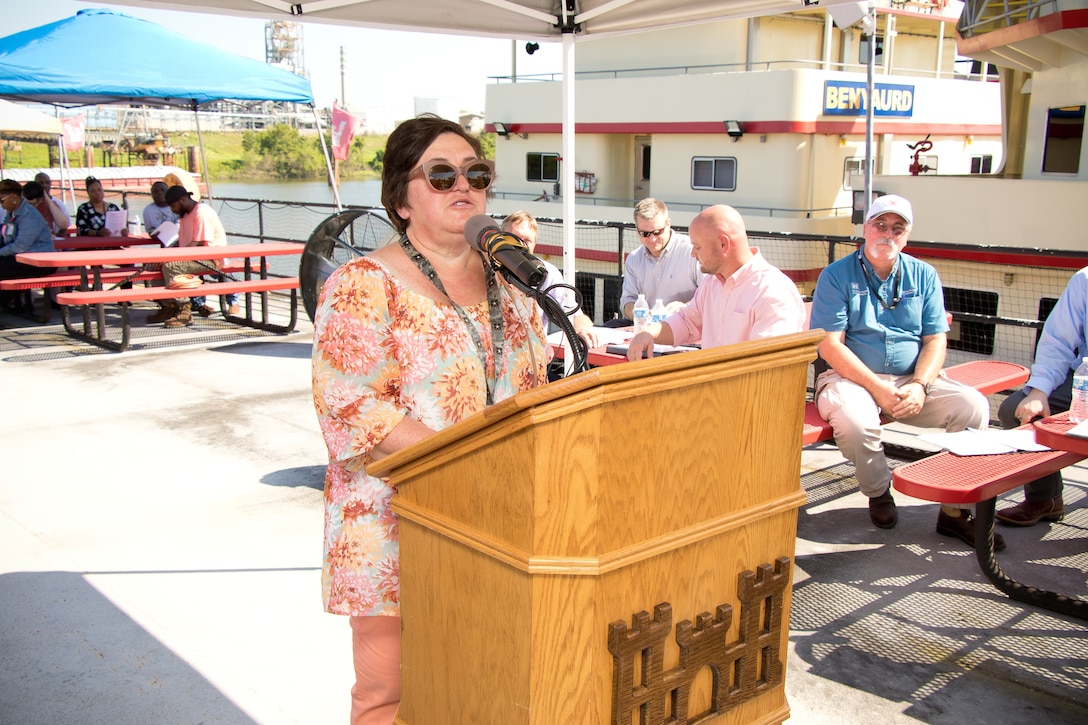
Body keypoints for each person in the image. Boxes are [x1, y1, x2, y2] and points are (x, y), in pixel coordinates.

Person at [311, 114, 548, 725]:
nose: (463, 185)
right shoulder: (362, 285)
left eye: (476, 174)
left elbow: (538, 383)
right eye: (440, 175)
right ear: (400, 199)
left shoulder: (513, 277)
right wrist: (469, 467)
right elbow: (356, 408)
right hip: (398, 530)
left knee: (488, 682)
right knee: (394, 698)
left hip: (502, 519)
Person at [809, 194, 1003, 550]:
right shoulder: (836, 275)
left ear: (907, 236)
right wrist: (877, 389)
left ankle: (955, 512)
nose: (888, 234)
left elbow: (935, 340)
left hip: (910, 378)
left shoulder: (924, 274)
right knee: (856, 425)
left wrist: (920, 385)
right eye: (880, 225)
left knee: (974, 407)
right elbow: (830, 345)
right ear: (865, 229)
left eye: (897, 228)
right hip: (851, 377)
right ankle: (879, 492)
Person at [625, 204, 805, 360]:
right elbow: (687, 321)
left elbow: (765, 366)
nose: (693, 254)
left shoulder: (772, 291)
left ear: (723, 244)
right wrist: (649, 332)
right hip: (715, 391)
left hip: (746, 395)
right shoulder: (712, 282)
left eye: (698, 247)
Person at [994, 268, 1088, 526]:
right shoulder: (1085, 279)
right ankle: (1045, 499)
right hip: (1084, 381)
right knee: (1015, 410)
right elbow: (1058, 341)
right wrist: (1039, 391)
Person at [501, 211, 599, 348]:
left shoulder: (547, 273)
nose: (520, 245)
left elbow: (574, 313)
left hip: (533, 358)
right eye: (514, 238)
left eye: (527, 241)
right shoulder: (485, 269)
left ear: (535, 244)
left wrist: (583, 328)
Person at [147, 185, 234, 327]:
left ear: (183, 200)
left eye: (174, 206)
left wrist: (169, 258)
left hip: (209, 257)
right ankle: (168, 306)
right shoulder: (185, 215)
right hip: (192, 255)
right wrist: (162, 256)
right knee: (154, 266)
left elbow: (197, 244)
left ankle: (184, 309)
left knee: (171, 266)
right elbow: (182, 243)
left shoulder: (201, 212)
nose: (172, 210)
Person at [615, 198, 703, 324]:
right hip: (648, 329)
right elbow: (627, 301)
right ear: (636, 229)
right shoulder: (634, 259)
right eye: (644, 233)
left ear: (668, 224)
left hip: (688, 327)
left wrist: (685, 307)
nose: (652, 239)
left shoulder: (692, 251)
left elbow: (709, 296)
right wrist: (637, 312)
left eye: (657, 232)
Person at [0, 179, 55, 311]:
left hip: (40, 261)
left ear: (13, 197)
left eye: (2, 200)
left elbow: (20, 246)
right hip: (22, 258)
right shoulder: (12, 214)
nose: (1, 205)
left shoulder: (29, 215)